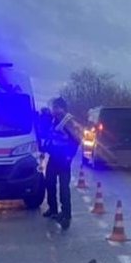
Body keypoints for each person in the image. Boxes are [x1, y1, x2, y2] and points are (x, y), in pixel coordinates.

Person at [42, 97, 79, 230]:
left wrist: (69, 157)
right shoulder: (54, 120)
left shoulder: (68, 121)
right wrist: (45, 149)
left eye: (55, 107)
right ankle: (53, 209)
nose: (53, 110)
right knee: (50, 183)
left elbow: (76, 140)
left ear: (61, 108)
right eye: (53, 107)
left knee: (64, 188)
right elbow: (51, 137)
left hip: (64, 159)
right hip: (54, 157)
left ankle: (66, 215)